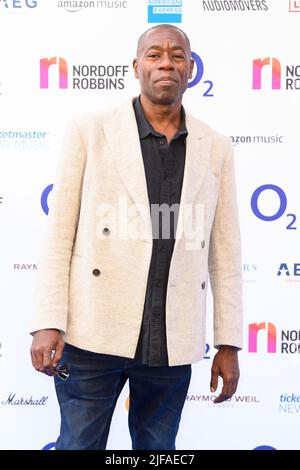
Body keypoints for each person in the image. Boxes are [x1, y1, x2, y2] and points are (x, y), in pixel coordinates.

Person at [30, 24, 243, 450]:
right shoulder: (89, 130)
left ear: (190, 68)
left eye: (177, 55)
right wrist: (47, 322)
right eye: (155, 54)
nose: (166, 62)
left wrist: (229, 341)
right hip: (93, 335)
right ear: (136, 65)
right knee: (78, 446)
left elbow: (225, 251)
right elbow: (59, 235)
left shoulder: (215, 146)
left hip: (172, 340)